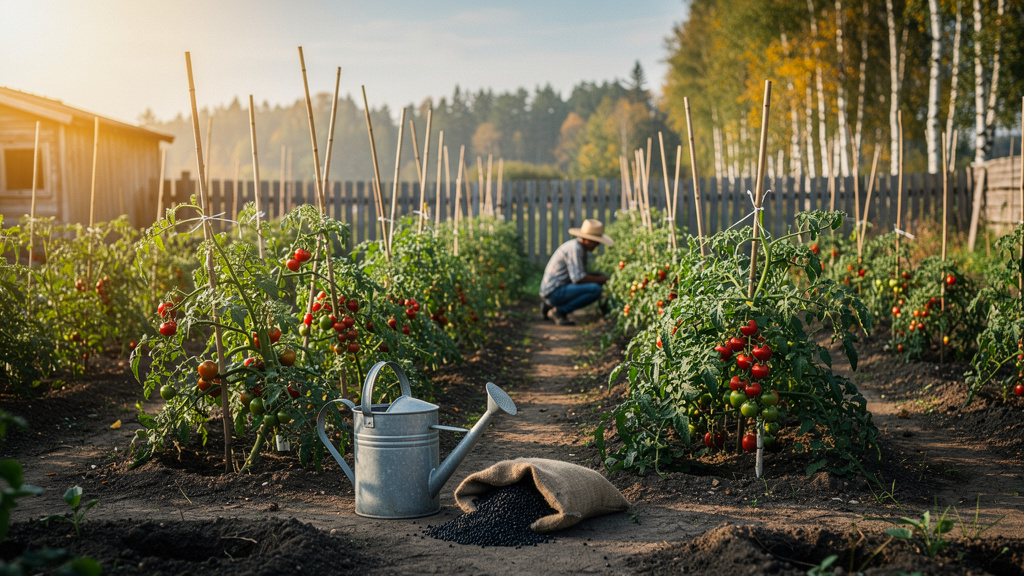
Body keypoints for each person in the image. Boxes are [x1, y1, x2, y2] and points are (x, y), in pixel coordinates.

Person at [539, 219, 613, 326]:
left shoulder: (578, 248)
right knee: (595, 289)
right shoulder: (575, 249)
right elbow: (578, 279)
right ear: (587, 239)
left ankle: (548, 306)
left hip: (555, 289)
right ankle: (559, 311)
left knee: (594, 283)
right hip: (553, 291)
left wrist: (597, 276)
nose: (597, 245)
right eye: (595, 242)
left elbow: (580, 275)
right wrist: (603, 279)